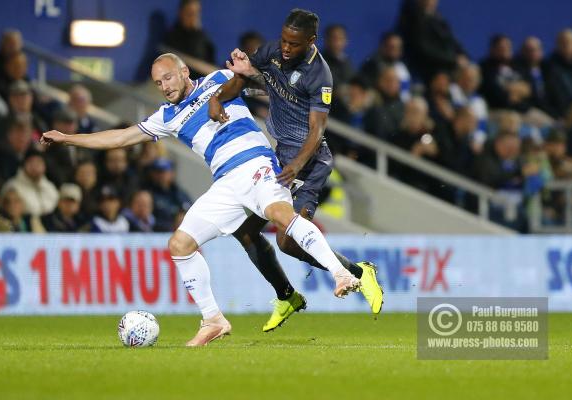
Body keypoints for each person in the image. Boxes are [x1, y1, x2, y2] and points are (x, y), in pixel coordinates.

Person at [41, 53, 362, 346]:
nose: (164, 87)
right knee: (180, 245)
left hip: (255, 163)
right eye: (157, 83)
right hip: (226, 184)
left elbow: (270, 86)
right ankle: (213, 319)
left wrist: (261, 78)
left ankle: (341, 274)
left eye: (168, 78)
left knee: (281, 215)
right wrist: (69, 138)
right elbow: (121, 136)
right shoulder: (166, 116)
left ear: (184, 72)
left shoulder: (220, 80)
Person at [208, 9, 384, 329]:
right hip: (281, 156)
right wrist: (219, 98)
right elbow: (243, 78)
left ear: (311, 41)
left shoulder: (320, 75)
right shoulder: (272, 51)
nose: (286, 48)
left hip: (309, 160)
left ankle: (359, 273)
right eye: (284, 39)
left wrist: (298, 163)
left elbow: (317, 130)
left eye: (294, 43)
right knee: (245, 231)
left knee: (288, 242)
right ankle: (287, 295)